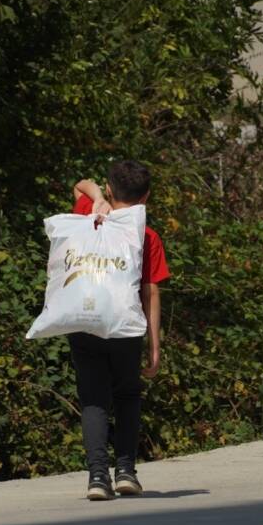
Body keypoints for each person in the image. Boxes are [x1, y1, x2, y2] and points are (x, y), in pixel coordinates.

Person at [69, 160, 170, 501]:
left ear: (110, 190)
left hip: (85, 321)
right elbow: (151, 290)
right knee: (127, 395)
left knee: (94, 399)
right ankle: (125, 470)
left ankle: (98, 477)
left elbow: (80, 184)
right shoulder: (147, 236)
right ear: (147, 198)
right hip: (126, 327)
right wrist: (154, 346)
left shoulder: (89, 215)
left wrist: (98, 196)